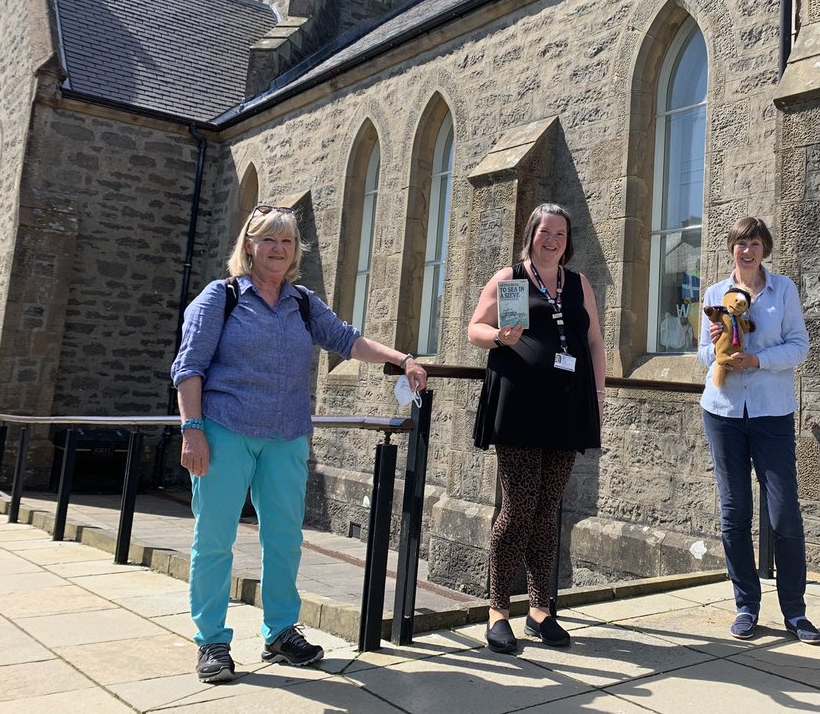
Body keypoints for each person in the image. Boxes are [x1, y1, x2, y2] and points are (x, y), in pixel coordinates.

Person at [170, 204, 428, 683]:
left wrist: (404, 357)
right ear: (248, 246)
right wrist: (192, 430)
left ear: (295, 252)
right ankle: (211, 642)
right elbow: (189, 368)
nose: (277, 249)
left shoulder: (303, 302)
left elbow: (347, 341)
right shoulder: (220, 298)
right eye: (268, 240)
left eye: (286, 242)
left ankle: (280, 631)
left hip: (286, 437)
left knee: (285, 539)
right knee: (214, 540)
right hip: (225, 431)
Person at [468, 203, 604, 653]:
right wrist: (498, 338)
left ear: (568, 240)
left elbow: (593, 341)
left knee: (548, 510)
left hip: (567, 408)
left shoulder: (579, 282)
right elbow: (475, 329)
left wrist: (597, 397)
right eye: (545, 231)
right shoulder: (509, 278)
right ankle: (498, 611)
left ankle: (540, 610)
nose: (553, 240)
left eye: (561, 234)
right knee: (518, 508)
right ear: (531, 233)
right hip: (521, 406)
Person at [697, 216, 820, 644]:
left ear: (764, 249)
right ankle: (746, 606)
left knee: (783, 511)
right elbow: (700, 355)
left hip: (771, 412)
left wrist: (757, 360)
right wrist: (717, 345)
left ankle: (796, 612)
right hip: (723, 412)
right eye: (739, 244)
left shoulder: (783, 290)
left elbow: (799, 346)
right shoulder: (715, 294)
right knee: (735, 513)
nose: (746, 251)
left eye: (753, 244)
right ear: (731, 249)